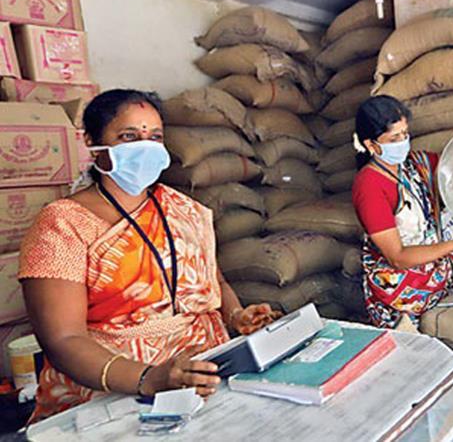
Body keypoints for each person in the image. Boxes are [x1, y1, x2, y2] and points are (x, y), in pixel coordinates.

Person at [19, 90, 278, 422]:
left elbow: (213, 280)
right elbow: (62, 338)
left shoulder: (185, 210)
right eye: (129, 136)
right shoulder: (62, 225)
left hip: (204, 372)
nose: (145, 146)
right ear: (93, 143)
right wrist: (148, 379)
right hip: (113, 387)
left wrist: (236, 315)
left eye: (154, 137)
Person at [351, 95, 453, 329]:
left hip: (440, 278)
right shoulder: (369, 186)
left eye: (405, 134)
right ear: (371, 145)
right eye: (394, 138)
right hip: (402, 293)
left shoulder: (416, 165)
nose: (403, 142)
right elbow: (397, 257)